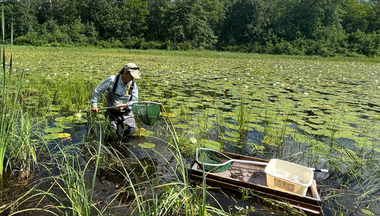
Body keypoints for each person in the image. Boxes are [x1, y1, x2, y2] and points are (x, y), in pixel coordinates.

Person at [91, 63, 140, 139]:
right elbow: (97, 91)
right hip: (112, 115)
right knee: (112, 136)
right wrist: (94, 105)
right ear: (125, 71)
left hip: (127, 115)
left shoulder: (133, 85)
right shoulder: (112, 80)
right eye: (132, 76)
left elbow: (134, 102)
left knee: (132, 134)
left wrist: (124, 105)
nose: (132, 78)